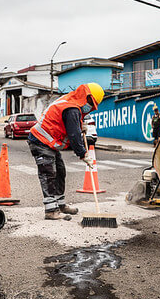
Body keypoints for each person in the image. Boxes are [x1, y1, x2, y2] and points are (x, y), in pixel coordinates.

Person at [28, 83, 104, 220]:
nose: (90, 106)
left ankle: (60, 204)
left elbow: (67, 124)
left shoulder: (71, 102)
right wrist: (83, 154)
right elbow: (74, 135)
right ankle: (51, 210)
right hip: (40, 141)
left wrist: (81, 125)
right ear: (84, 97)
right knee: (48, 174)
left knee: (60, 172)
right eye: (90, 102)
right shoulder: (72, 108)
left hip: (49, 144)